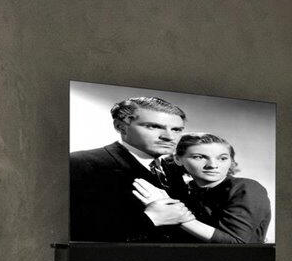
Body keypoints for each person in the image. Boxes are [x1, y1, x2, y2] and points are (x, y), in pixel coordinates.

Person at [68, 94, 198, 242]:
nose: (169, 137)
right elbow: (75, 232)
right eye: (153, 126)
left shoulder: (172, 170)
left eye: (176, 129)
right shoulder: (80, 163)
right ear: (120, 127)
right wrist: (151, 218)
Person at [145, 132, 272, 243]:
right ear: (178, 159)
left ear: (231, 161)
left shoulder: (246, 188)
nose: (212, 165)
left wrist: (175, 214)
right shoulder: (186, 191)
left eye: (222, 158)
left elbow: (236, 242)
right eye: (199, 157)